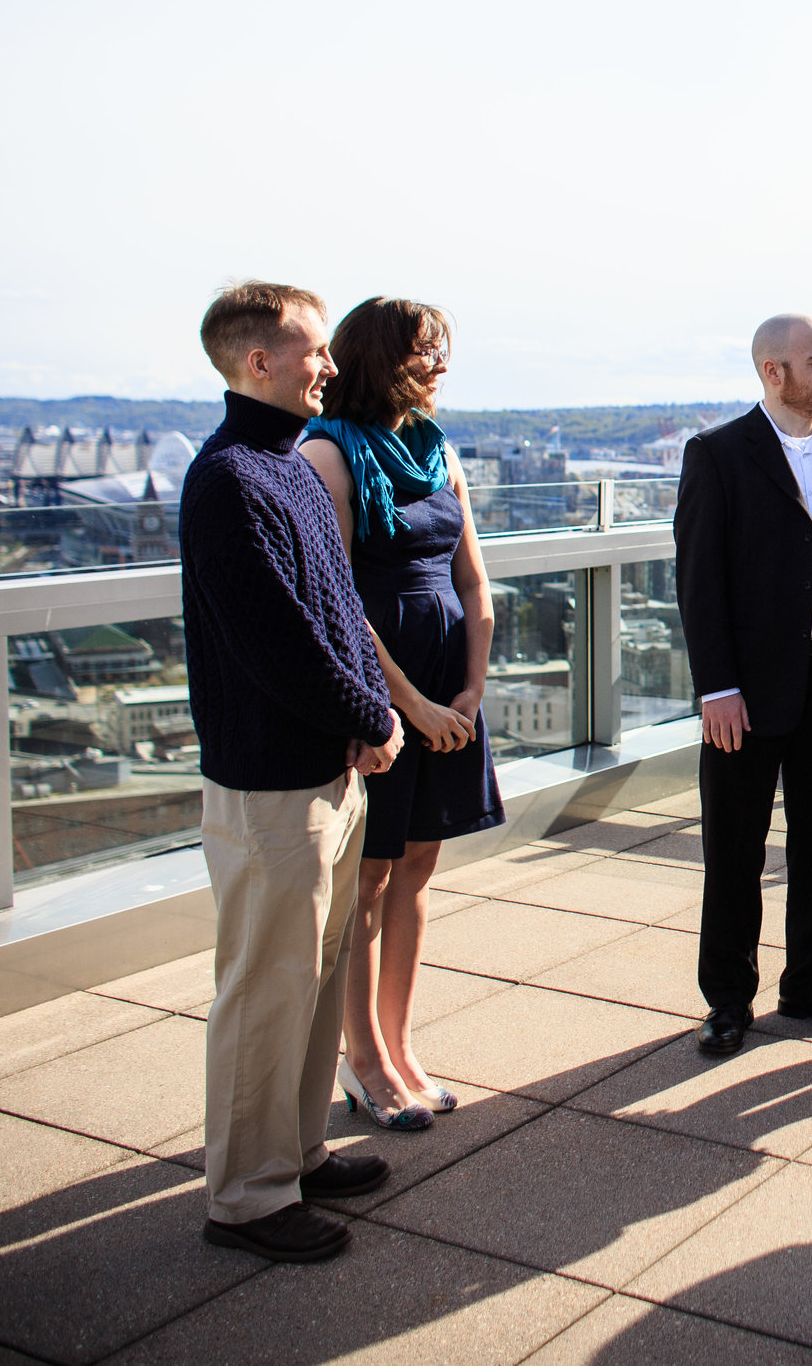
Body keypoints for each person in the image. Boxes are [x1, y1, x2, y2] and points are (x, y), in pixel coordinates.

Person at [181, 281, 405, 1264]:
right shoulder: (229, 477)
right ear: (255, 361)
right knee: (265, 985)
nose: (327, 364)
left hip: (324, 769)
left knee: (314, 975)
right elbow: (277, 637)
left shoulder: (288, 469)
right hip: (270, 780)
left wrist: (367, 720)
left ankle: (298, 1149)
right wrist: (368, 714)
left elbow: (340, 609)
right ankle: (246, 1194)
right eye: (311, 350)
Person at [300, 297, 504, 1133]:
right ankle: (362, 1059)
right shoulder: (326, 456)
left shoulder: (436, 448)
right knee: (368, 880)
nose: (440, 367)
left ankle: (399, 1039)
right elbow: (340, 598)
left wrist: (471, 687)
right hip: (382, 688)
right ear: (380, 357)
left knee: (417, 866)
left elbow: (472, 579)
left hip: (447, 683)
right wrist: (410, 704)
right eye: (426, 353)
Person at [674, 313, 812, 1057]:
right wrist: (717, 688)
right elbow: (700, 582)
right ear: (775, 372)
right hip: (749, 687)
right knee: (735, 848)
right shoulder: (717, 454)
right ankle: (728, 1000)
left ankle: (810, 981)